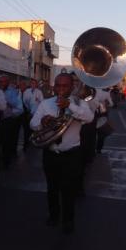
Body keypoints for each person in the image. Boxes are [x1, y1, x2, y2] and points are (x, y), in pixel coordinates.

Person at [30, 73, 94, 235]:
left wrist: (70, 106)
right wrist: (42, 122)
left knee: (68, 190)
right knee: (52, 187)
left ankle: (68, 220)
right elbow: (33, 123)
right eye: (57, 85)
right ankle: (53, 216)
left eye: (64, 86)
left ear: (72, 87)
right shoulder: (46, 103)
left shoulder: (79, 103)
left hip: (71, 155)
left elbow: (89, 118)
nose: (60, 89)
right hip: (51, 153)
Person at [0, 75, 23, 168]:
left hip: (7, 119)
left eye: (3, 82)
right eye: (0, 82)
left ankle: (6, 161)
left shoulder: (13, 91)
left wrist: (4, 98)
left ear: (8, 82)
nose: (2, 84)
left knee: (6, 142)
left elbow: (15, 104)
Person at [21, 78, 44, 150]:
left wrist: (38, 100)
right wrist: (28, 109)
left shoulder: (39, 92)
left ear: (36, 84)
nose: (33, 84)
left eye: (34, 83)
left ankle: (34, 144)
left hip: (36, 114)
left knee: (34, 129)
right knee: (26, 129)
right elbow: (24, 101)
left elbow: (42, 102)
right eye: (32, 83)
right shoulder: (27, 91)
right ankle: (26, 144)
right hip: (28, 113)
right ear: (30, 84)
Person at [95, 89, 114, 154]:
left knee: (91, 131)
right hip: (103, 113)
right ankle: (98, 149)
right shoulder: (106, 93)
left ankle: (91, 149)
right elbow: (111, 104)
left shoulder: (93, 91)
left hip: (93, 112)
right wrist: (106, 104)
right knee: (101, 133)